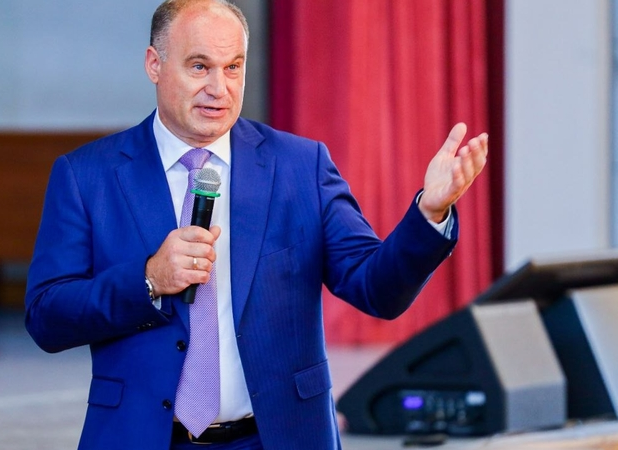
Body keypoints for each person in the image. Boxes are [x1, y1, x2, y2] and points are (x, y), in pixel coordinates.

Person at [24, 0, 488, 449]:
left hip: (276, 438)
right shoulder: (87, 177)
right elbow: (47, 317)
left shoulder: (300, 166)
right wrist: (148, 279)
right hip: (140, 438)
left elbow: (375, 289)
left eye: (233, 67)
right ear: (154, 65)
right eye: (200, 67)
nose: (219, 88)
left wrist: (429, 213)